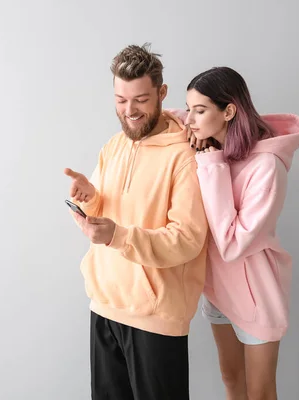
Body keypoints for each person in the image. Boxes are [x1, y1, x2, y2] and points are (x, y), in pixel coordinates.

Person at [64, 43, 209, 400]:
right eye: (120, 100)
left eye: (141, 100)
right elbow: (111, 212)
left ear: (161, 93)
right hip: (104, 305)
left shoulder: (185, 156)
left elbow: (188, 238)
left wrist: (119, 236)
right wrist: (91, 196)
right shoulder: (114, 145)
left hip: (155, 318)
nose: (129, 111)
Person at [182, 66, 299, 399]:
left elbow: (233, 244)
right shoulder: (212, 145)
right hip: (218, 291)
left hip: (257, 297)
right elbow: (164, 117)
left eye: (199, 110)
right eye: (188, 108)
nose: (189, 120)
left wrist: (211, 166)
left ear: (229, 111)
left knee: (260, 392)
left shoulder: (267, 166)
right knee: (230, 378)